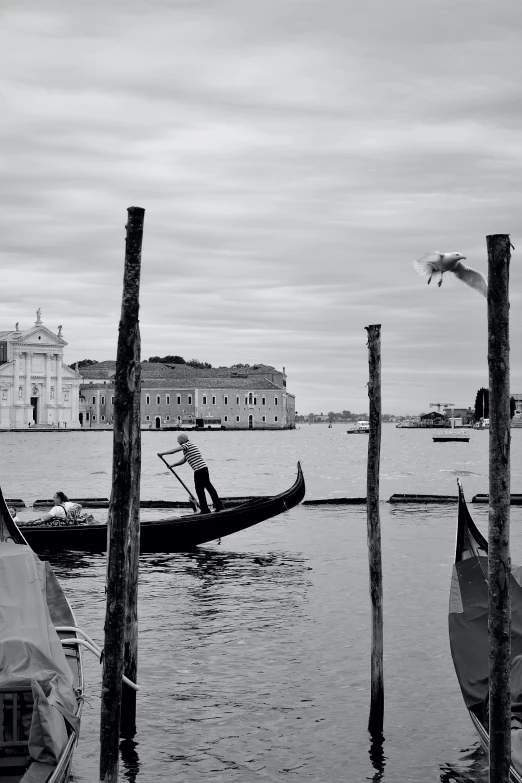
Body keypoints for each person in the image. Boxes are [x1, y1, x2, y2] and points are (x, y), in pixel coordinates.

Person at [158, 435, 225, 514]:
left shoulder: (187, 445)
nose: (177, 441)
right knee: (203, 489)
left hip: (200, 470)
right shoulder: (189, 447)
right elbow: (183, 460)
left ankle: (214, 507)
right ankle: (209, 508)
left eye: (178, 440)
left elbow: (174, 450)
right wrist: (172, 465)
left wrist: (162, 453)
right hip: (201, 470)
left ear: (183, 440)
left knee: (204, 489)